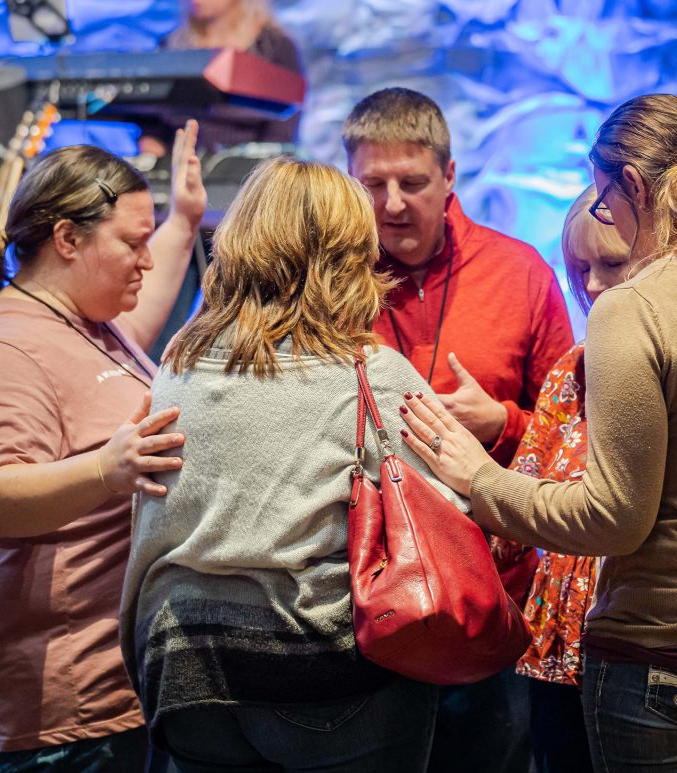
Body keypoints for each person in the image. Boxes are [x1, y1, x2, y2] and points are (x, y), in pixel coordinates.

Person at [400, 93, 677, 772]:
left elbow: (613, 518)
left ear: (634, 186)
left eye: (606, 207)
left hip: (666, 655)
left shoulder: (633, 310)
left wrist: (481, 478)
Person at [119, 156, 469, 772]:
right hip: (319, 668)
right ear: (348, 253)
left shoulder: (178, 362)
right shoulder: (369, 373)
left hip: (182, 665)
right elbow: (450, 508)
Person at [0, 123, 206, 770]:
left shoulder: (86, 319)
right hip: (68, 702)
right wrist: (107, 468)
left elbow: (140, 314)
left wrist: (182, 222)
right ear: (67, 239)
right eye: (132, 244)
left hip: (127, 682)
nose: (145, 260)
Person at [343, 85, 575, 773]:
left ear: (449, 175)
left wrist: (501, 421)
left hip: (491, 594)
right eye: (372, 184)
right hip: (360, 596)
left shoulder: (519, 271)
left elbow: (575, 434)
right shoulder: (331, 280)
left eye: (412, 183)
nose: (391, 204)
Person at [490, 185, 634, 773]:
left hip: (638, 648)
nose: (593, 285)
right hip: (556, 647)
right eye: (579, 269)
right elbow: (518, 496)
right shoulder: (571, 368)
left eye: (613, 265)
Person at [139, 0, 302, 156]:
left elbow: (284, 126)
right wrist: (152, 146)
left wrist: (261, 167)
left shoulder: (274, 46)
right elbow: (151, 117)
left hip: (249, 167)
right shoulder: (170, 45)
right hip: (177, 162)